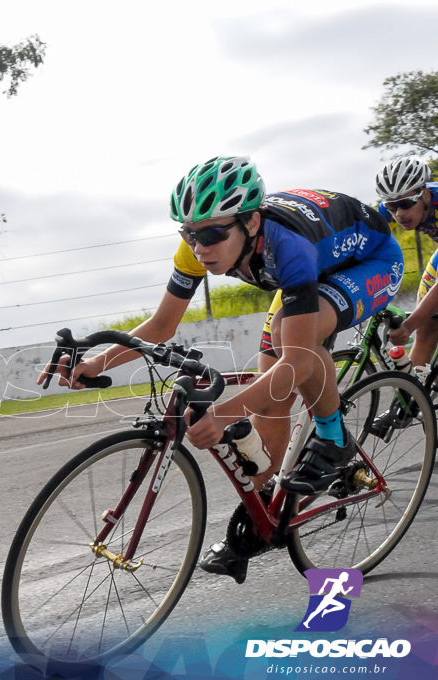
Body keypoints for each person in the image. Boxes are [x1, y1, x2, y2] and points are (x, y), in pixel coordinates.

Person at [43, 156, 404, 584]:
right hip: (308, 275)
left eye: (213, 233)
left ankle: (333, 436)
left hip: (370, 262)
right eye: (189, 233)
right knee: (269, 409)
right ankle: (259, 526)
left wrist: (222, 415)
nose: (200, 247)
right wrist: (95, 363)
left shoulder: (287, 245)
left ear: (250, 222)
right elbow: (161, 325)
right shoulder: (198, 246)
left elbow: (298, 362)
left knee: (299, 346)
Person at [374, 156, 438, 367]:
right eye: (392, 206)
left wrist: (408, 325)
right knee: (426, 326)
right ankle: (415, 395)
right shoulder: (390, 211)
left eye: (406, 203)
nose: (399, 213)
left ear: (426, 194)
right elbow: (370, 248)